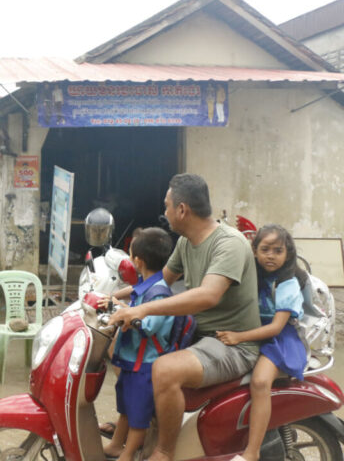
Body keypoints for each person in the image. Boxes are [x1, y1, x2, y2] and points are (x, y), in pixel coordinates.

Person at [110, 173, 261, 461]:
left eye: (167, 206)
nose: (164, 213)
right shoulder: (186, 242)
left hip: (231, 343)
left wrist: (143, 309)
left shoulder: (229, 243)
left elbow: (208, 295)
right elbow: (159, 282)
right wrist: (115, 297)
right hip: (198, 334)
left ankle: (164, 451)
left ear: (182, 210)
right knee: (122, 348)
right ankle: (133, 429)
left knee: (165, 369)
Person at [216, 225, 307, 461]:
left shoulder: (287, 283)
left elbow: (277, 327)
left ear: (288, 254)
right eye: (265, 249)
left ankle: (252, 451)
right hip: (255, 333)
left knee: (259, 382)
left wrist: (238, 337)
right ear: (254, 250)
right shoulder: (251, 277)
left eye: (278, 250)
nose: (271, 255)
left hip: (279, 341)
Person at [104, 227, 175, 461]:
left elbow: (150, 325)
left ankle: (127, 455)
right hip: (131, 359)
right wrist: (114, 302)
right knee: (125, 408)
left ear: (138, 260)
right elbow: (131, 302)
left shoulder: (159, 293)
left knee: (138, 417)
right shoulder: (145, 285)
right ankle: (115, 446)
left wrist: (128, 314)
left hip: (145, 365)